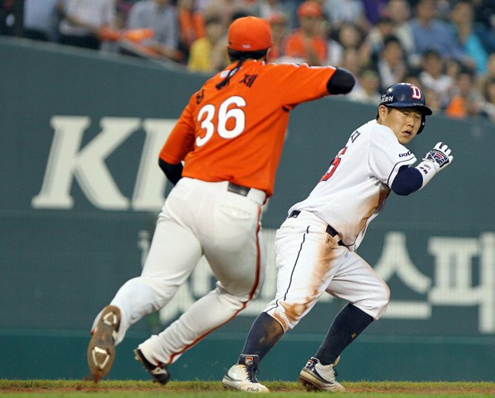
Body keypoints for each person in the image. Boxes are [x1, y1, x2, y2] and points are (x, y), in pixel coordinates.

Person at [86, 16, 355, 384]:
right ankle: (161, 349)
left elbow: (168, 161)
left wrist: (195, 192)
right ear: (268, 49)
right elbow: (344, 80)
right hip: (234, 200)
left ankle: (118, 313)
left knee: (155, 283)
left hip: (185, 193)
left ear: (229, 51)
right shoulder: (275, 76)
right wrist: (299, 70)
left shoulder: (205, 91)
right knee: (237, 292)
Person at [222, 82, 454, 393]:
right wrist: (433, 162)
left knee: (374, 295)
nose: (412, 121)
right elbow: (405, 183)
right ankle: (242, 368)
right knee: (292, 303)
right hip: (314, 231)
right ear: (383, 112)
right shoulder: (378, 134)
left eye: (417, 115)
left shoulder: (379, 137)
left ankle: (321, 367)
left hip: (332, 243)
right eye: (404, 112)